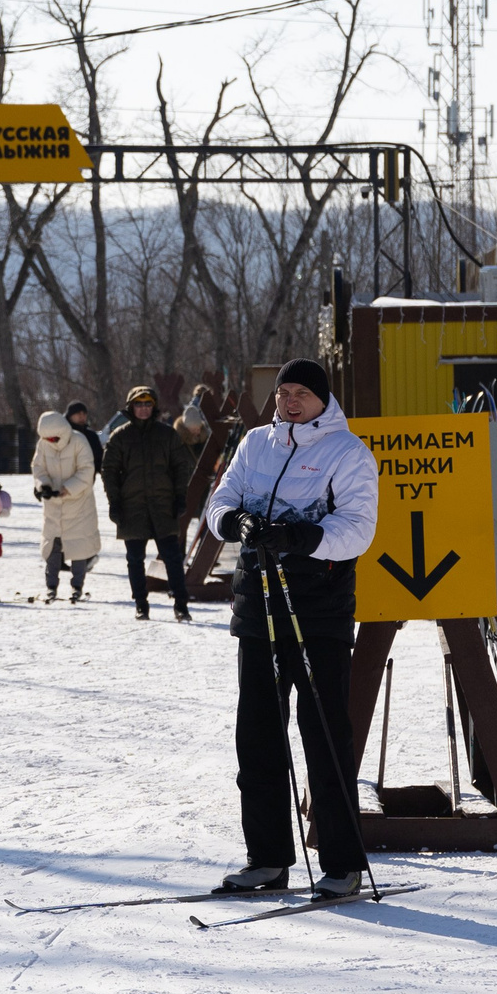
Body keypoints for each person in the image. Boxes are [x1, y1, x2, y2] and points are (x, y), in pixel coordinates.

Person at [204, 357, 378, 900]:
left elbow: (358, 529)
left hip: (316, 611)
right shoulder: (257, 443)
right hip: (257, 610)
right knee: (257, 737)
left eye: (302, 392)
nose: (291, 401)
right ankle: (267, 858)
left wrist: (302, 539)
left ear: (322, 399)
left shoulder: (347, 451)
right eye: (284, 392)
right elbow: (220, 502)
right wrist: (237, 522)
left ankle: (343, 864)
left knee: (324, 736)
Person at [101, 383, 193, 622]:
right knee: (134, 559)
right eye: (138, 405)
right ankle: (141, 604)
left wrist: (180, 497)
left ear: (154, 407)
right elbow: (109, 472)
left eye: (147, 404)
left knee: (172, 558)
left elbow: (181, 467)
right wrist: (114, 503)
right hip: (132, 508)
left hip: (163, 506)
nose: (143, 409)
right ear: (131, 408)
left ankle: (181, 604)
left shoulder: (167, 435)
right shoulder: (120, 437)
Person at [31, 409, 101, 602]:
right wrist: (43, 485)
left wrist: (68, 488)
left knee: (78, 546)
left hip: (78, 504)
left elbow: (87, 470)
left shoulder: (79, 441)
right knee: (52, 547)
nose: (51, 442)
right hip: (54, 506)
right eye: (48, 439)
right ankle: (51, 585)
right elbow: (38, 467)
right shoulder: (43, 444)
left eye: (54, 439)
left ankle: (77, 585)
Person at [64, 400, 106, 473]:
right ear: (70, 416)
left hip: (86, 480)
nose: (82, 416)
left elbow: (99, 460)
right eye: (78, 413)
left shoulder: (91, 436)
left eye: (84, 413)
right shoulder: (63, 434)